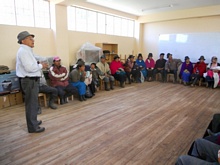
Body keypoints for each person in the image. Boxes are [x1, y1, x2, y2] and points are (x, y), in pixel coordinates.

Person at [16, 31, 47, 133]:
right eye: (30, 38)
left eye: (32, 38)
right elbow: (29, 68)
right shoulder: (23, 51)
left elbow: (33, 62)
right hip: (29, 81)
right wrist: (42, 66)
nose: (32, 40)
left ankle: (33, 121)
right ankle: (32, 127)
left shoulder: (27, 51)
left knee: (33, 103)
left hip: (32, 81)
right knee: (31, 104)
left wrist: (40, 62)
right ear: (23, 41)